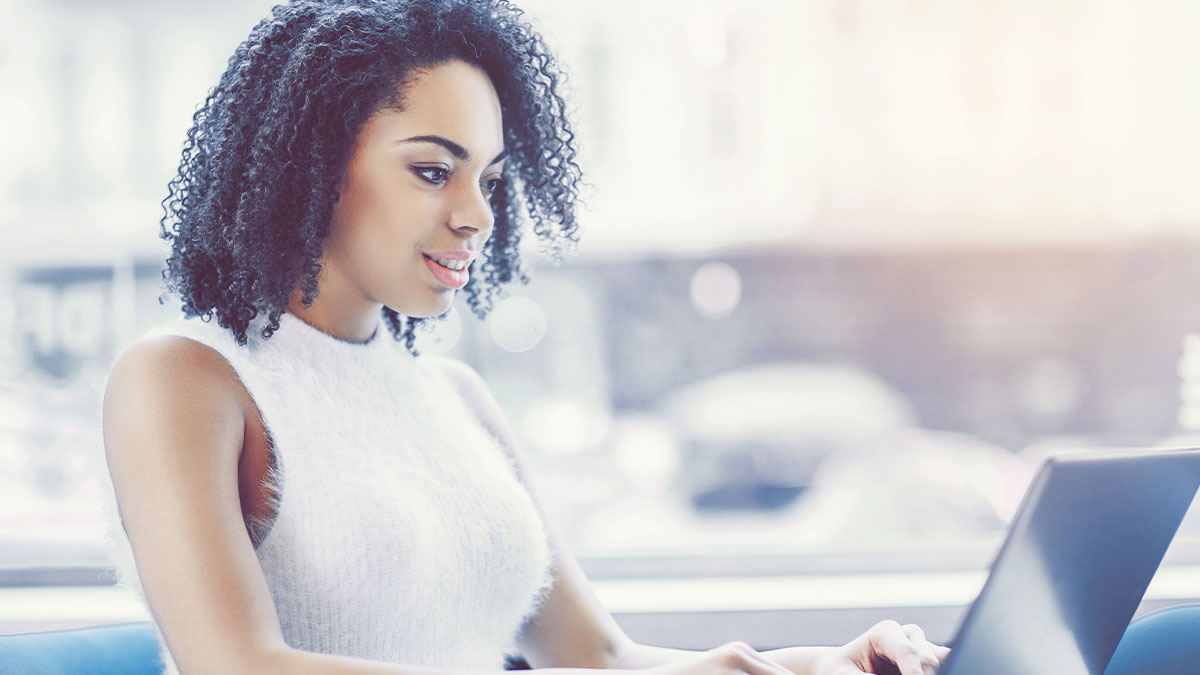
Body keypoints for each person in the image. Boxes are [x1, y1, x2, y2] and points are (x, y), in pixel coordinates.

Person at [102, 1, 949, 674]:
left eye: (492, 180)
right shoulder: (184, 378)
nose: (476, 215)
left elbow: (601, 656)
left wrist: (817, 662)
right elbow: (242, 668)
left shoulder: (454, 397)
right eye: (433, 170)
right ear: (311, 168)